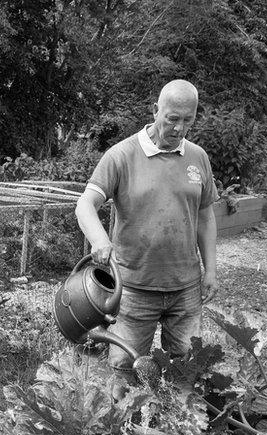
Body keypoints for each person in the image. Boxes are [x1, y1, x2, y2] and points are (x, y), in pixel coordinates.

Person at [74, 79, 218, 381]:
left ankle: (174, 427)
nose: (179, 128)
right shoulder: (121, 155)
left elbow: (205, 216)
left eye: (188, 120)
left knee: (186, 369)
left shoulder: (198, 157)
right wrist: (100, 240)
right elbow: (85, 205)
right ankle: (121, 427)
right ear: (156, 110)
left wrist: (211, 271)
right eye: (172, 119)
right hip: (133, 288)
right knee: (123, 368)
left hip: (185, 288)